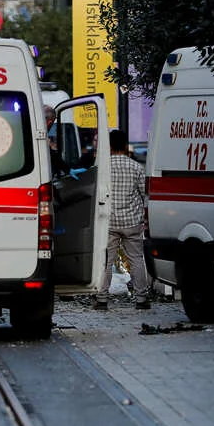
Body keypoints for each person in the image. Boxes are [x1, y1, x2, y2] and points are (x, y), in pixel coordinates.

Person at [95, 129, 151, 310]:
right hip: (131, 222)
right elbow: (144, 195)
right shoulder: (136, 167)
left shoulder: (102, 168)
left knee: (106, 260)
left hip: (108, 222)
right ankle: (141, 299)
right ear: (126, 146)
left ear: (109, 146)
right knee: (136, 259)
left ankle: (102, 299)